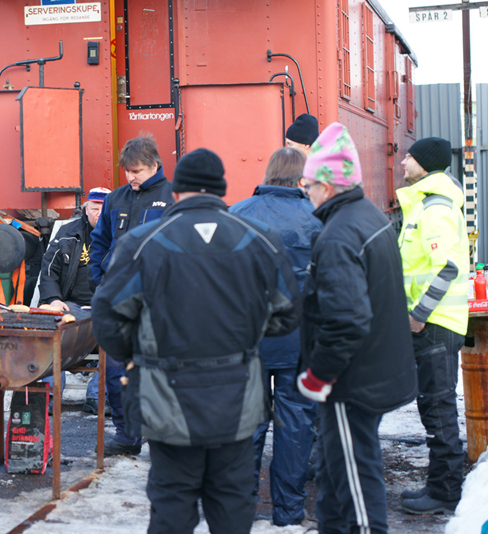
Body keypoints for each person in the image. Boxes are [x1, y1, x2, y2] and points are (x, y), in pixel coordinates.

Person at [92, 148, 301, 534]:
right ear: (221, 189)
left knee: (172, 505)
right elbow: (287, 313)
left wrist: (135, 354)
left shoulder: (144, 242)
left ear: (177, 190)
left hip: (167, 397)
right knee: (232, 505)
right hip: (237, 396)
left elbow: (108, 316)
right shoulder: (260, 239)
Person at [298, 122, 418, 534]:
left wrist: (318, 375)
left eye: (309, 184)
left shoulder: (339, 235)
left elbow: (347, 318)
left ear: (327, 185)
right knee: (334, 470)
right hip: (372, 372)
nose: (306, 192)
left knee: (355, 476)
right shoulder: (367, 217)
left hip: (352, 382)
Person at [229, 146, 322, 527]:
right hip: (299, 338)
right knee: (296, 424)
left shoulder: (238, 213)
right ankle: (289, 511)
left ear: (268, 173)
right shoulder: (316, 218)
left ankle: (239, 508)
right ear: (302, 177)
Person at [90, 134, 174, 455]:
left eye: (137, 171)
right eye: (127, 171)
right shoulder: (116, 198)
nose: (131, 177)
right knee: (115, 369)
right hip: (117, 299)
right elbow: (100, 242)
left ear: (155, 165)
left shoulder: (172, 197)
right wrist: (100, 280)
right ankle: (127, 435)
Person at [397, 137, 468, 515]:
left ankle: (445, 491)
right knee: (432, 405)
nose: (402, 162)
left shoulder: (435, 208)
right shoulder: (425, 204)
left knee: (438, 407)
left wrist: (419, 314)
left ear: (424, 164)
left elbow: (447, 266)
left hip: (435, 324)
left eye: (408, 157)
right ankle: (440, 485)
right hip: (435, 323)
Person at [36, 187, 111, 416]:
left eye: (104, 209)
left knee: (120, 329)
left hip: (105, 305)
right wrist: (53, 299)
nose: (99, 214)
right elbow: (49, 270)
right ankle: (50, 395)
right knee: (51, 328)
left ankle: (98, 397)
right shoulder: (68, 233)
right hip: (71, 305)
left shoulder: (120, 234)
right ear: (85, 209)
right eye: (94, 209)